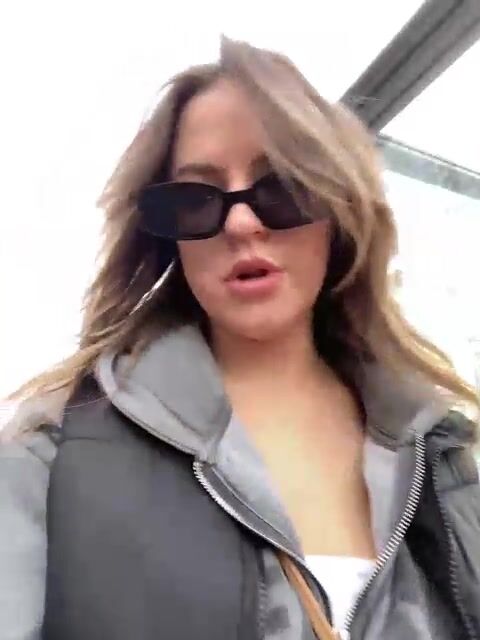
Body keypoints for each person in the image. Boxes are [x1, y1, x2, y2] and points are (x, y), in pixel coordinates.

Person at [1, 36, 479, 640]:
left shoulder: (446, 453)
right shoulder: (52, 450)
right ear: (167, 236)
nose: (241, 222)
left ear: (339, 208)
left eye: (283, 187)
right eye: (195, 199)